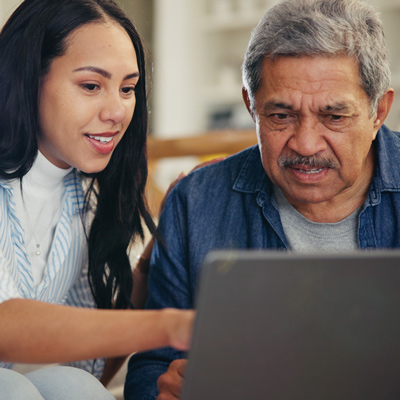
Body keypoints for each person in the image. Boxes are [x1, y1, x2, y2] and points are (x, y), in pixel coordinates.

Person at [124, 0, 399, 399]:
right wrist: (163, 390)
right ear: (251, 106)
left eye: (334, 117)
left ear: (379, 112)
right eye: (280, 116)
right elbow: (153, 366)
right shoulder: (196, 202)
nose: (305, 144)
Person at [0, 0, 194, 398]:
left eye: (127, 89)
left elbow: (88, 366)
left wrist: (153, 257)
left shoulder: (81, 196)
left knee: (72, 383)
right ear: (26, 78)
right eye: (91, 86)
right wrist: (172, 326)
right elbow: (6, 326)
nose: (117, 111)